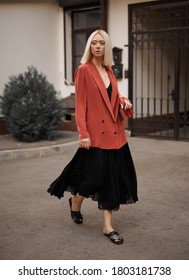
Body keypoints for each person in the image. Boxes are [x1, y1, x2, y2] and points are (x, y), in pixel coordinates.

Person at [47, 29, 138, 245]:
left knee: (112, 180)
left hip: (116, 135)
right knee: (94, 178)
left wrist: (124, 101)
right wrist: (83, 134)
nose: (97, 46)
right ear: (90, 46)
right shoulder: (84, 70)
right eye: (94, 43)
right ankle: (76, 202)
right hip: (96, 135)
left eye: (101, 43)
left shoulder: (109, 70)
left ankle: (107, 226)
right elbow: (81, 105)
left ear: (106, 47)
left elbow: (112, 96)